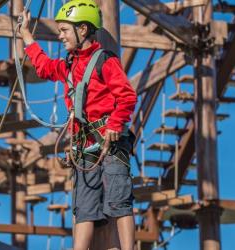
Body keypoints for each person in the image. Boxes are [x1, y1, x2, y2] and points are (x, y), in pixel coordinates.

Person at [18, 0, 138, 249]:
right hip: (84, 147)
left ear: (82, 30)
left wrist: (115, 124)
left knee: (119, 201)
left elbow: (127, 96)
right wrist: (27, 36)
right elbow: (44, 67)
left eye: (64, 30)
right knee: (83, 208)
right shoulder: (70, 65)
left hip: (110, 143)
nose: (60, 36)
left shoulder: (105, 60)